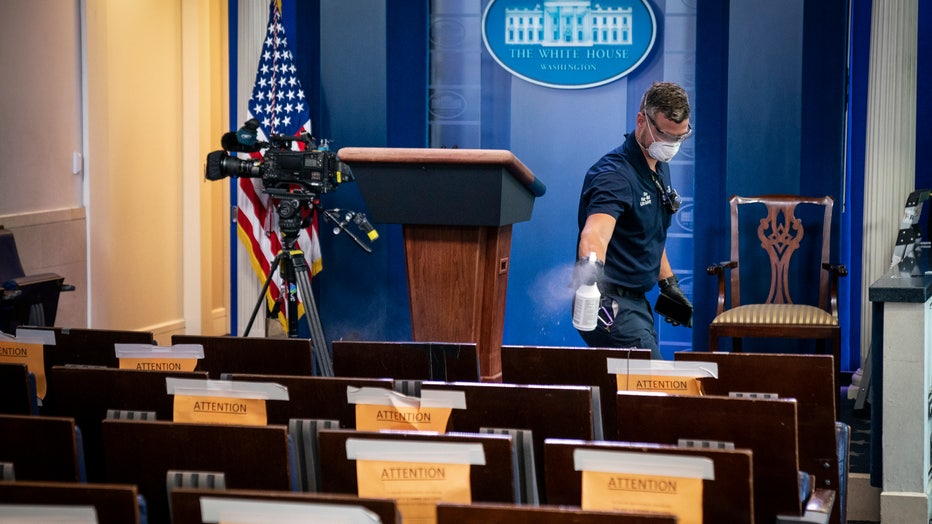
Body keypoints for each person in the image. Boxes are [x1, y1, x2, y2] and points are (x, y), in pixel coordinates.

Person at [574, 81, 693, 359]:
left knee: (629, 393)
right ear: (642, 121)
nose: (672, 145)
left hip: (637, 303)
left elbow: (648, 234)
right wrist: (588, 282)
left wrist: (669, 284)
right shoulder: (614, 176)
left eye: (680, 137)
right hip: (609, 304)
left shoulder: (658, 167)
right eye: (666, 135)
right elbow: (595, 235)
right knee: (652, 389)